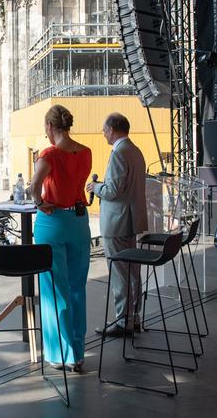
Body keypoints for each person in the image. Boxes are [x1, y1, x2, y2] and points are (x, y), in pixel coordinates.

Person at [29, 104, 92, 372]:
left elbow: (33, 188)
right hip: (79, 223)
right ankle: (77, 353)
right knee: (77, 288)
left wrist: (40, 202)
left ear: (50, 127)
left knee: (55, 290)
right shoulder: (86, 152)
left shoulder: (50, 154)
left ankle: (60, 354)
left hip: (53, 223)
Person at [87, 112, 148, 338]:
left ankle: (123, 321)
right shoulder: (136, 151)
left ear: (112, 129)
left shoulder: (119, 153)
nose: (103, 134)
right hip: (132, 220)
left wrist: (96, 188)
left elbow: (113, 191)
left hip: (117, 222)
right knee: (132, 272)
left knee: (120, 273)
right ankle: (134, 317)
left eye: (104, 130)